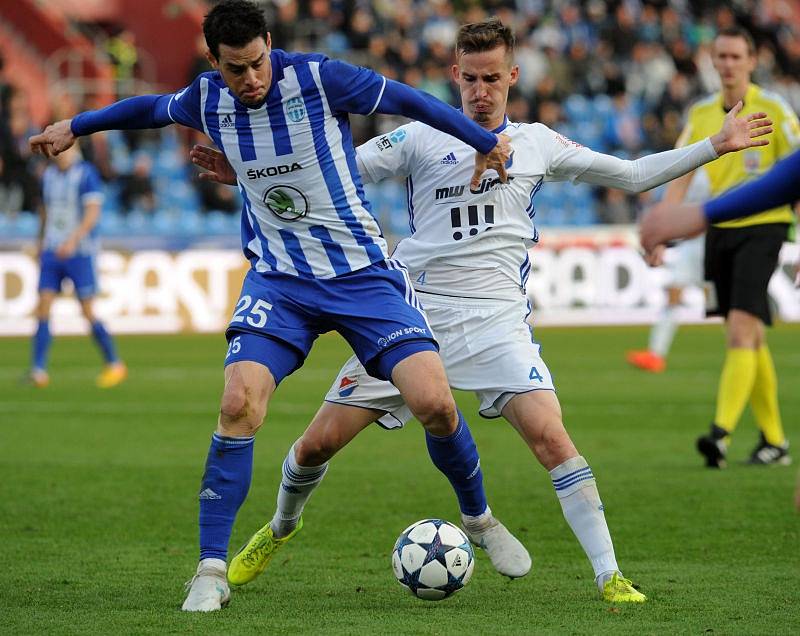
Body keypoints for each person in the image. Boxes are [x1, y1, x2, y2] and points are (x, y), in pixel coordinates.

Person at [191, 18, 772, 603]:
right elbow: (326, 170)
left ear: (513, 76)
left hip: (498, 323)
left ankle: (609, 575)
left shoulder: (538, 143)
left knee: (552, 439)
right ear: (454, 77)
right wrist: (241, 170)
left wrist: (714, 145)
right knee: (316, 445)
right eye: (469, 78)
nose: (480, 90)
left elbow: (633, 175)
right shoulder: (418, 137)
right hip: (411, 315)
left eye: (492, 77)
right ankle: (280, 527)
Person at [29, 0, 522, 613]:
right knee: (238, 405)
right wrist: (76, 126)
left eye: (258, 63)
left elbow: (412, 100)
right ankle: (210, 569)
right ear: (216, 63)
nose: (251, 79)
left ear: (270, 44)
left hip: (361, 275)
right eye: (236, 70)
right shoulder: (207, 98)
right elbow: (148, 109)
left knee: (435, 404)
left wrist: (484, 141)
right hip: (279, 282)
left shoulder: (318, 77)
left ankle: (478, 517)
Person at [639, 27, 800, 469]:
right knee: (749, 333)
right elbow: (681, 170)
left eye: (736, 56)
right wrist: (662, 228)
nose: (728, 64)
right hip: (720, 230)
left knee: (739, 330)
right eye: (721, 56)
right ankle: (775, 441)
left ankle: (720, 434)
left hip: (764, 227)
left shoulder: (775, 109)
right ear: (714, 61)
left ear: (752, 61)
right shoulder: (703, 113)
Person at [27, 143, 127, 389]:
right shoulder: (48, 175)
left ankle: (114, 363)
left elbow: (93, 213)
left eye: (62, 149)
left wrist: (73, 241)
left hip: (79, 252)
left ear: (73, 149)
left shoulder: (86, 174)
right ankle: (38, 370)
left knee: (87, 310)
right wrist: (40, 242)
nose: (58, 154)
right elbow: (45, 211)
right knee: (42, 306)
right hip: (52, 249)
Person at [626, 169, 710, 373]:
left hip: (711, 240)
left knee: (723, 302)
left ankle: (746, 345)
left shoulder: (717, 166)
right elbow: (674, 205)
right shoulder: (691, 164)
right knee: (674, 293)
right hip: (691, 242)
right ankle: (655, 354)